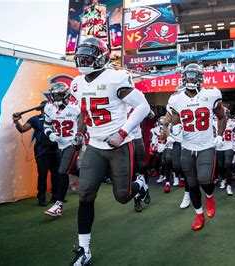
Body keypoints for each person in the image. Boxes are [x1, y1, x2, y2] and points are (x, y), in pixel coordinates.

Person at [69, 37, 151, 265]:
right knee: (85, 194)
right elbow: (85, 113)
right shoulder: (76, 83)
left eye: (89, 53)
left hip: (118, 146)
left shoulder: (116, 78)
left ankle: (140, 185)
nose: (83, 57)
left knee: (122, 197)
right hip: (95, 145)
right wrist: (79, 131)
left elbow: (143, 106)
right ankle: (84, 250)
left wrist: (123, 132)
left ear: (102, 57)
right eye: (81, 53)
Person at [164, 63, 226, 231]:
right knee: (191, 184)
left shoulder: (212, 94)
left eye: (194, 76)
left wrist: (219, 135)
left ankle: (210, 195)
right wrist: (173, 128)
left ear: (200, 78)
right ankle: (199, 214)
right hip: (187, 147)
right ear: (184, 78)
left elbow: (221, 116)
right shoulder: (176, 99)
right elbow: (175, 121)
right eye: (188, 76)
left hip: (206, 145)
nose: (190, 79)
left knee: (205, 180)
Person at [42, 82, 82, 217]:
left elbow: (84, 124)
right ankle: (92, 178)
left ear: (65, 95)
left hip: (72, 143)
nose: (56, 98)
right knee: (74, 169)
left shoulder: (75, 108)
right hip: (60, 144)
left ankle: (58, 205)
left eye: (58, 95)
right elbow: (46, 126)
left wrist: (79, 137)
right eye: (54, 95)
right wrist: (50, 134)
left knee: (62, 171)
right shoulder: (49, 108)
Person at [12, 101, 59, 207]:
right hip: (42, 151)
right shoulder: (35, 119)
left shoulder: (57, 118)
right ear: (42, 108)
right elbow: (23, 129)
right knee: (42, 174)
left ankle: (56, 197)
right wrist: (16, 122)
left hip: (55, 150)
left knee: (56, 174)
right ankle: (41, 197)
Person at [128, 107, 154, 212]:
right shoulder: (116, 102)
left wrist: (145, 110)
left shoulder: (134, 101)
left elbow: (151, 115)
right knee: (132, 170)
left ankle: (145, 189)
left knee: (142, 166)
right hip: (124, 140)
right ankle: (137, 199)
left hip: (137, 137)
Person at [214, 108, 235, 196]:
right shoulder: (214, 122)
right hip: (219, 147)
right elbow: (212, 133)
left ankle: (229, 185)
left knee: (228, 164)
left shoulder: (232, 123)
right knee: (220, 166)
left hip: (229, 146)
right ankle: (224, 179)